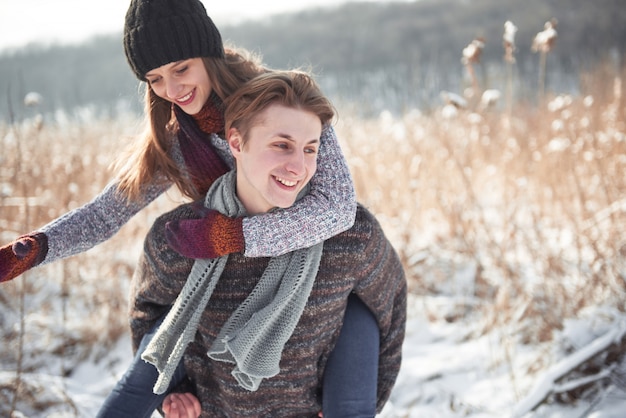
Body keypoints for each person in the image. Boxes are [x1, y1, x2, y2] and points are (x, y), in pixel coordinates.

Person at [128, 70, 407, 418]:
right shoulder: (179, 237)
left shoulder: (351, 237)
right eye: (281, 145)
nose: (299, 166)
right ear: (236, 143)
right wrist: (173, 392)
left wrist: (360, 403)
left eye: (310, 149)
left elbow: (390, 312)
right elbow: (148, 314)